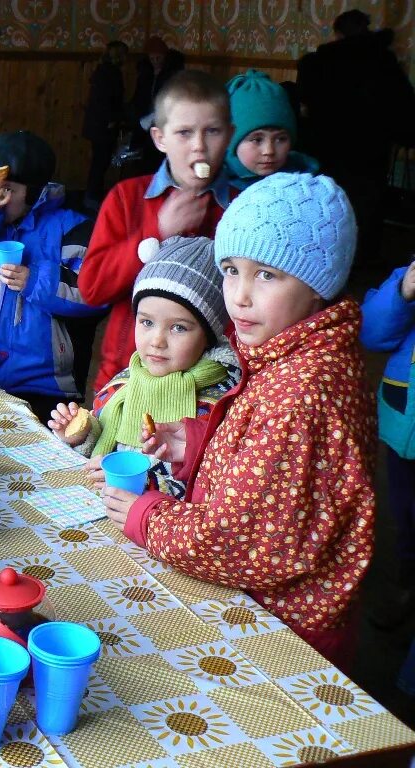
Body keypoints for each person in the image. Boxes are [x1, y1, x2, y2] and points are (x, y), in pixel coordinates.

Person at [104, 173, 374, 671]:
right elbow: (280, 476)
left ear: (319, 284)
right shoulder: (291, 356)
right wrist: (200, 444)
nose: (240, 295)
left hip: (283, 635)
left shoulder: (302, 390)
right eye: (230, 270)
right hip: (266, 609)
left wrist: (148, 517)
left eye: (267, 275)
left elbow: (240, 539)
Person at [0, 131, 104, 422]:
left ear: (35, 191)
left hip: (46, 389)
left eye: (8, 189)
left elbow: (94, 294)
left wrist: (35, 281)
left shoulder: (74, 227)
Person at [79, 70, 235, 392]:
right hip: (125, 377)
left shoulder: (241, 208)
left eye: (213, 132)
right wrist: (156, 232)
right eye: (184, 133)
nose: (199, 147)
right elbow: (92, 289)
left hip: (208, 389)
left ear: (230, 135)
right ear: (159, 138)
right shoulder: (126, 198)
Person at [48, 236, 238, 500]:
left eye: (178, 327)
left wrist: (144, 485)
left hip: (162, 531)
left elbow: (216, 487)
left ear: (208, 335)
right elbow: (104, 439)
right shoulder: (125, 381)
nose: (157, 341)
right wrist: (82, 435)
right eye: (147, 322)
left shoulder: (221, 404)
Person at [297, 9, 415, 266]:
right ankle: (362, 264)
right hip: (370, 152)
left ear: (337, 33)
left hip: (326, 149)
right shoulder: (384, 61)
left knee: (327, 208)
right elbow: (404, 110)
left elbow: (305, 110)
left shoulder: (315, 63)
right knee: (366, 211)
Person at [359, 259, 415, 628]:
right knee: (403, 513)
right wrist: (405, 290)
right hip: (405, 426)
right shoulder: (408, 274)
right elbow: (371, 332)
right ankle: (404, 589)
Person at [224, 69, 317, 190]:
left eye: (281, 139)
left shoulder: (304, 180)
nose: (269, 151)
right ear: (231, 139)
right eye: (257, 139)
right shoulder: (215, 185)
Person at [82, 40, 128, 211]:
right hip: (104, 125)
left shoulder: (101, 71)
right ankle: (92, 198)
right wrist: (114, 120)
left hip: (97, 124)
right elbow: (109, 101)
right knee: (100, 162)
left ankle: (91, 196)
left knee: (98, 161)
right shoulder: (112, 74)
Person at [129, 36, 185, 174]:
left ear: (165, 57)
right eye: (152, 58)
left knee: (158, 158)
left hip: (163, 120)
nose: (155, 62)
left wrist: (154, 116)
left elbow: (173, 99)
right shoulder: (145, 73)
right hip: (143, 122)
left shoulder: (172, 74)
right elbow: (139, 97)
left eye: (158, 58)